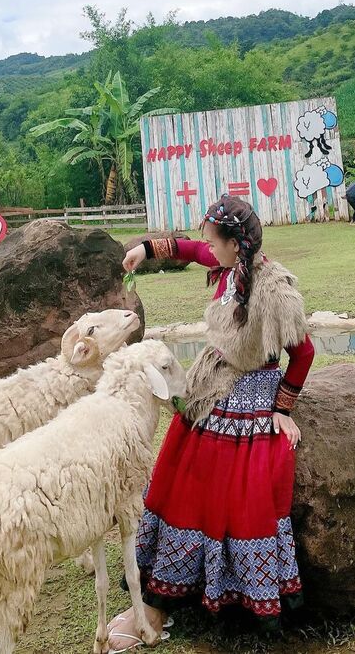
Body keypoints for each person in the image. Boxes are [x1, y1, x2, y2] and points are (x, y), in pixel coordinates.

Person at [108, 194, 315, 650]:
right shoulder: (226, 263)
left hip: (251, 389)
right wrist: (144, 249)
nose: (207, 247)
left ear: (235, 244)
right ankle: (161, 597)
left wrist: (282, 410)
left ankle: (187, 601)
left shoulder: (275, 289)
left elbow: (303, 353)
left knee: (222, 484)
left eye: (212, 242)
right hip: (213, 380)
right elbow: (186, 249)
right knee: (177, 472)